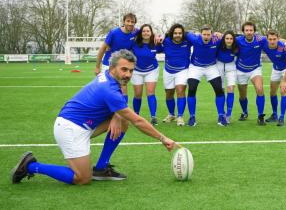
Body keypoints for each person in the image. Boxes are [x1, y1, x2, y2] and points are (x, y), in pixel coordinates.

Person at [11, 49, 176, 185]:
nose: (128, 74)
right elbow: (137, 120)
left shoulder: (109, 77)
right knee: (82, 178)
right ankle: (31, 166)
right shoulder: (109, 90)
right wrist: (163, 138)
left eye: (131, 70)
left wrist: (117, 116)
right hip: (71, 129)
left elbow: (121, 106)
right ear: (112, 68)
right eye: (124, 69)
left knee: (122, 120)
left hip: (82, 124)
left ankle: (101, 168)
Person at [186, 26, 226, 126]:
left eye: (208, 34)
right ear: (200, 34)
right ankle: (192, 117)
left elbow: (232, 36)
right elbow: (185, 32)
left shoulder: (217, 39)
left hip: (211, 67)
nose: (206, 36)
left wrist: (221, 34)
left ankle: (221, 116)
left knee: (219, 89)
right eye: (204, 34)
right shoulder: (195, 39)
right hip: (195, 67)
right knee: (192, 89)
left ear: (212, 35)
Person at [235, 22, 268, 125]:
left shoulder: (260, 39)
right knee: (242, 95)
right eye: (247, 30)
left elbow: (275, 38)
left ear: (254, 31)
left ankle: (260, 116)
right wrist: (216, 34)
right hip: (240, 70)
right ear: (243, 31)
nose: (249, 32)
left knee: (260, 89)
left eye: (251, 30)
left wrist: (285, 42)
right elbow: (224, 37)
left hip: (255, 69)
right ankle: (245, 112)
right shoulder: (237, 40)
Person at [131, 24, 162, 126]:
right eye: (143, 31)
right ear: (141, 33)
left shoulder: (155, 43)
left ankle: (153, 117)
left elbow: (165, 46)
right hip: (136, 70)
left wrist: (160, 37)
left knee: (150, 93)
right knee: (138, 94)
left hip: (152, 70)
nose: (146, 33)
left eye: (148, 31)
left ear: (151, 32)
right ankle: (136, 116)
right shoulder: (134, 43)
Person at [160, 24, 192, 126]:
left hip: (183, 70)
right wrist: (157, 37)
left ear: (183, 34)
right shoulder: (166, 41)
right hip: (168, 70)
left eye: (180, 33)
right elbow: (156, 46)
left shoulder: (187, 41)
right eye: (175, 33)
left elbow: (199, 39)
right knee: (169, 93)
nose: (177, 35)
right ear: (171, 33)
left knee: (180, 91)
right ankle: (171, 114)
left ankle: (180, 116)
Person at [263, 30, 286, 126]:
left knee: (283, 90)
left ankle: (282, 117)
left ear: (278, 38)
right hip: (276, 68)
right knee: (272, 92)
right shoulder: (264, 43)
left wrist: (284, 81)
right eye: (270, 39)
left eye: (274, 39)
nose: (272, 41)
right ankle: (274, 115)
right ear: (267, 39)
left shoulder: (283, 47)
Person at [216, 30, 238, 124]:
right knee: (220, 90)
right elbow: (210, 35)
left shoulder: (237, 45)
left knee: (230, 88)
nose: (229, 40)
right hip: (219, 65)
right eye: (227, 38)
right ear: (224, 39)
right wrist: (216, 33)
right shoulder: (218, 43)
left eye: (231, 38)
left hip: (231, 66)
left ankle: (228, 115)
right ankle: (220, 114)